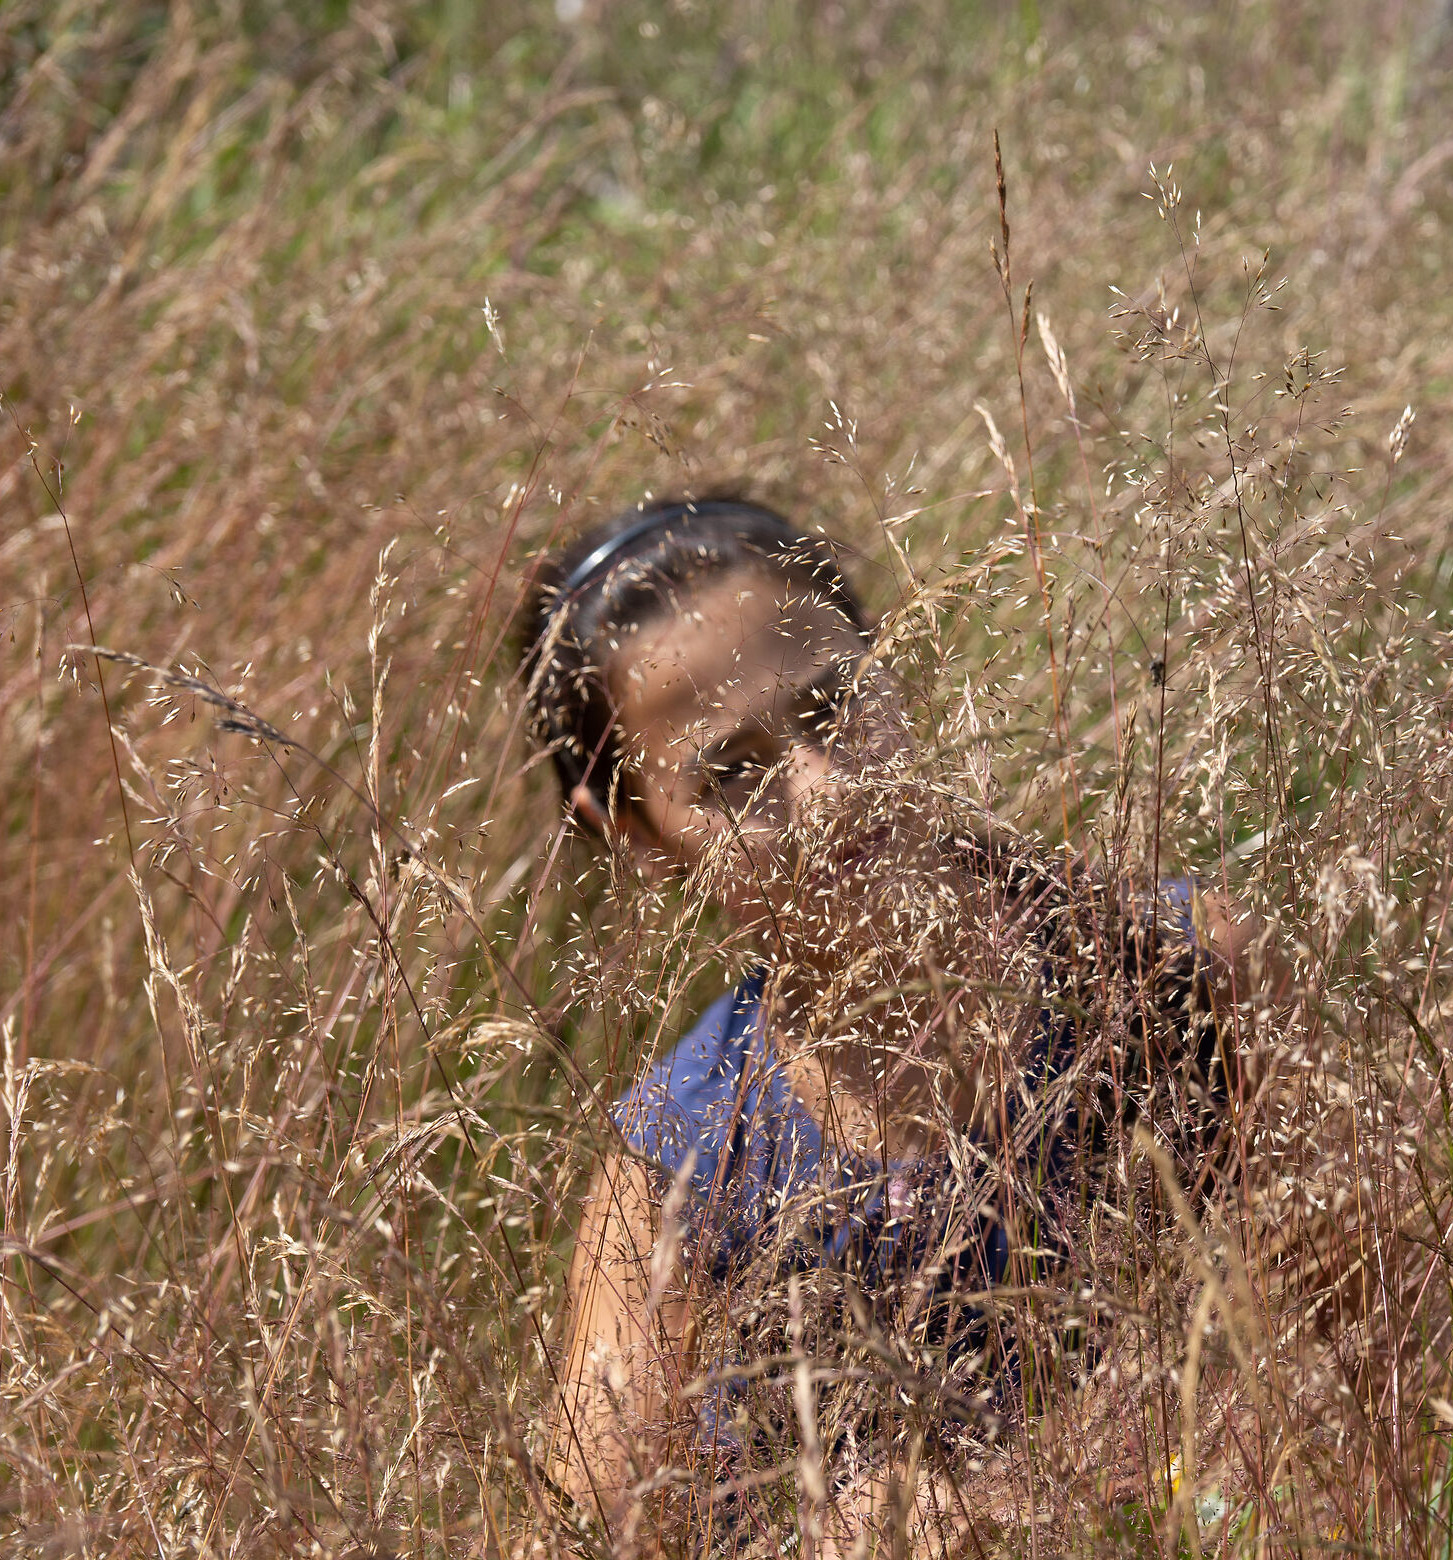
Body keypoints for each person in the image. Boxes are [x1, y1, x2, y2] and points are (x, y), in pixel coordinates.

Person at [513, 489, 1267, 1549]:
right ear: (637, 835)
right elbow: (584, 1532)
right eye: (733, 772)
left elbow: (1375, 1346)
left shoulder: (1167, 971)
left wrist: (1071, 1498)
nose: (826, 791)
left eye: (831, 708)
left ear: (893, 666)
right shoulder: (684, 1158)